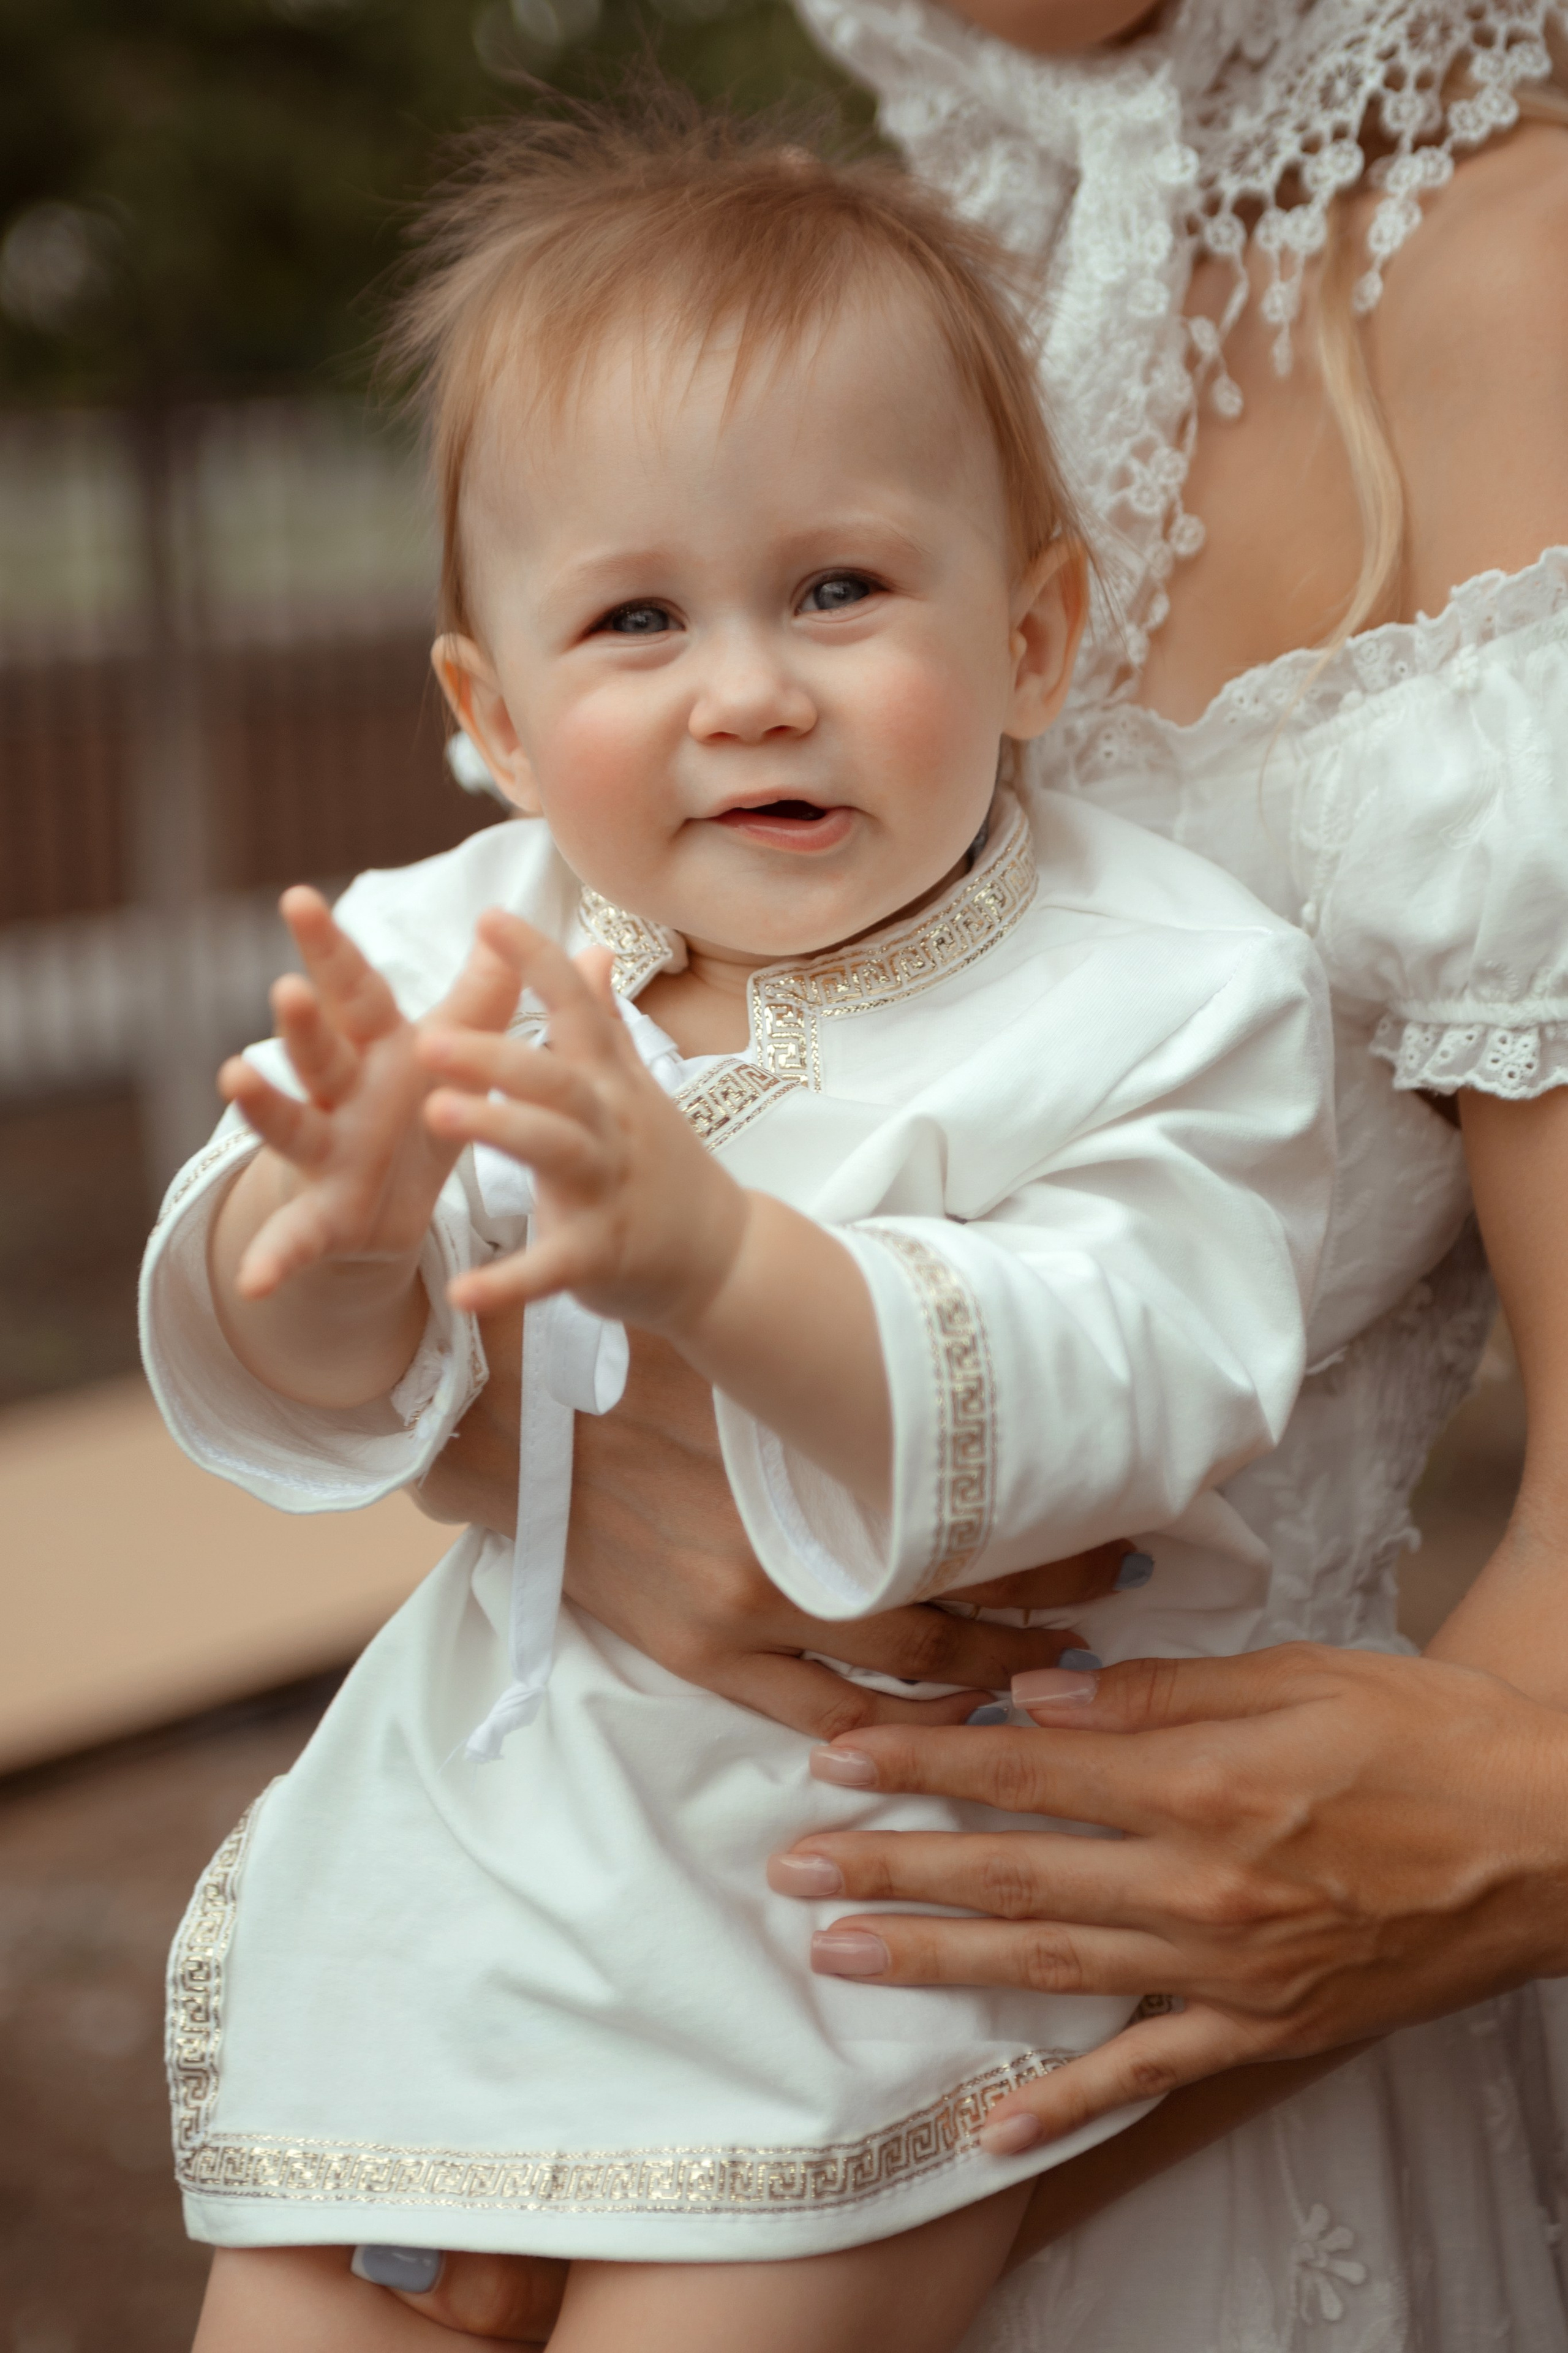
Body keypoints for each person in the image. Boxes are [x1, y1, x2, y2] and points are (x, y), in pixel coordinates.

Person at [387, 2, 1568, 2345]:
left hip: (1183, 2008)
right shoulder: (862, 266)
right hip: (651, 1925)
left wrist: (943, 2150)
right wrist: (537, 1458)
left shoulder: (1519, 278)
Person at [140, 116, 1339, 2351]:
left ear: (1039, 629)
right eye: (633, 618)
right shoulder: (457, 940)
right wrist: (330, 1233)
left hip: (877, 1916)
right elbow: (305, 1384)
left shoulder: (1158, 982)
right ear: (492, 716)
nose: (747, 688)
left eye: (836, 588)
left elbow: (1132, 1374)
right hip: (472, 1872)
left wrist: (715, 1260)